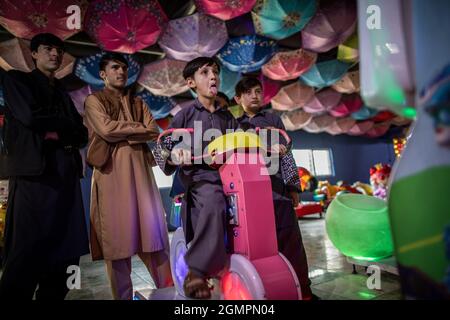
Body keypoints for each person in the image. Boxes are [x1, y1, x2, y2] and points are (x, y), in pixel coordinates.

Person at [0, 33, 89, 300]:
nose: (55, 54)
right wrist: (64, 127)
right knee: (26, 252)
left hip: (66, 176)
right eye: (48, 49)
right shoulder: (17, 79)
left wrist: (54, 130)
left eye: (59, 50)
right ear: (34, 54)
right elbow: (28, 116)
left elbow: (81, 134)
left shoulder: (62, 90)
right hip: (33, 177)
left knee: (66, 255)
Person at [83, 52, 173, 300]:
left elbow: (153, 130)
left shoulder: (139, 103)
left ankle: (168, 293)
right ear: (103, 74)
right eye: (115, 68)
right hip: (110, 175)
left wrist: (126, 131)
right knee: (117, 244)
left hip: (141, 175)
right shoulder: (94, 100)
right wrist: (137, 131)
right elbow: (106, 129)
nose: (121, 72)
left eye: (124, 68)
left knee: (154, 239)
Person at [153, 57, 238, 299]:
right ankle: (197, 270)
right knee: (213, 200)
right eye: (205, 72)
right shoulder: (185, 115)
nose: (213, 77)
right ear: (191, 82)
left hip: (231, 177)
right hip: (201, 179)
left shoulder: (227, 118)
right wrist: (173, 154)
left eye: (216, 72)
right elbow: (161, 149)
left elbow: (241, 144)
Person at [234, 76, 314, 300]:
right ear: (238, 98)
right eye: (248, 92)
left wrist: (293, 187)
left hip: (279, 192)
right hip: (249, 196)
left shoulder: (274, 120)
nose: (254, 96)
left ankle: (303, 291)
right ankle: (266, 292)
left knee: (291, 243)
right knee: (258, 248)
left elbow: (288, 155)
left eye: (258, 91)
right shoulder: (235, 126)